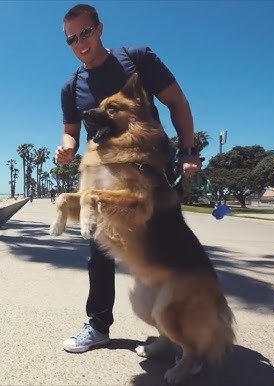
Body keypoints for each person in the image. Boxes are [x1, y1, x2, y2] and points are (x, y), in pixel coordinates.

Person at [56, 4, 201, 353]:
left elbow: (178, 102)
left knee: (166, 251)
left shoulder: (136, 58)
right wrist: (66, 148)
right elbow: (70, 133)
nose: (80, 44)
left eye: (85, 33)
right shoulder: (71, 86)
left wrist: (188, 151)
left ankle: (182, 333)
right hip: (106, 176)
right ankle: (98, 324)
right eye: (71, 39)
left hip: (151, 172)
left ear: (100, 28)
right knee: (99, 251)